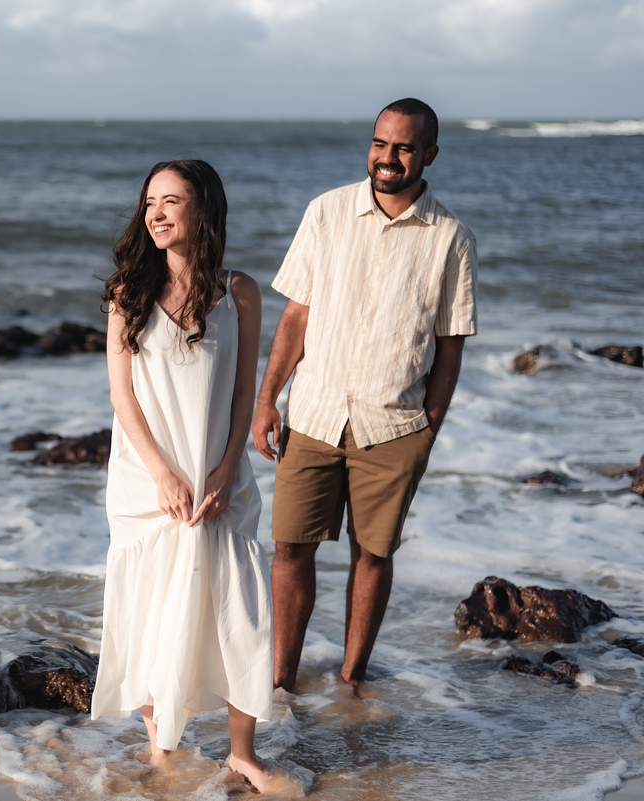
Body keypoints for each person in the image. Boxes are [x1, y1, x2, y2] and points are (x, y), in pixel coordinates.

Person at [251, 98, 477, 693]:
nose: (388, 157)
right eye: (380, 143)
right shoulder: (325, 212)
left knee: (373, 555)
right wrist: (267, 398)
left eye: (404, 147)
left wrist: (428, 430)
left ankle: (352, 681)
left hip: (395, 426)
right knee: (290, 548)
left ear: (429, 154)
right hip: (314, 414)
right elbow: (296, 317)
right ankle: (281, 682)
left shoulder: (452, 239)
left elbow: (449, 347)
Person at [89, 159, 275, 792]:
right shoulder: (128, 292)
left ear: (204, 207)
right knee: (152, 606)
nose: (156, 213)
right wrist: (163, 475)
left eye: (171, 200)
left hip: (221, 477)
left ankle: (243, 754)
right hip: (148, 482)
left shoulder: (240, 291)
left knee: (240, 610)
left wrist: (224, 468)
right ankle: (160, 745)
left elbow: (245, 390)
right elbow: (122, 396)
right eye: (150, 203)